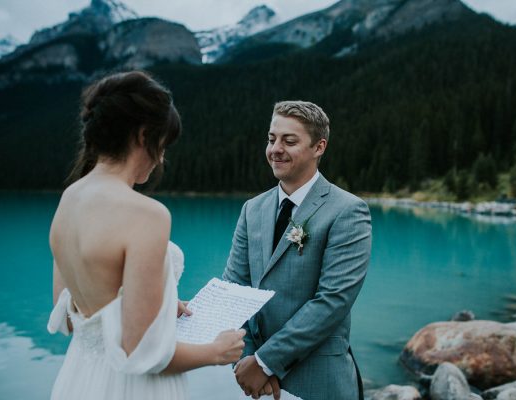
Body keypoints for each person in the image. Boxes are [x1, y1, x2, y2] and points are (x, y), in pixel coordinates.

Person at [47, 71, 245, 400]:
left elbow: (70, 318)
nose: (161, 158)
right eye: (163, 144)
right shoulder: (147, 214)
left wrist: (161, 305)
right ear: (143, 136)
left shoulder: (69, 200)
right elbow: (142, 354)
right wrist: (215, 351)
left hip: (80, 380)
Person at [223, 100, 372, 400]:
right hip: (252, 382)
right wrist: (247, 359)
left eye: (289, 141)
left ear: (319, 147)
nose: (276, 148)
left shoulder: (348, 211)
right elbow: (232, 289)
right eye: (271, 139)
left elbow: (332, 302)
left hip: (317, 381)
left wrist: (266, 362)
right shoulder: (252, 209)